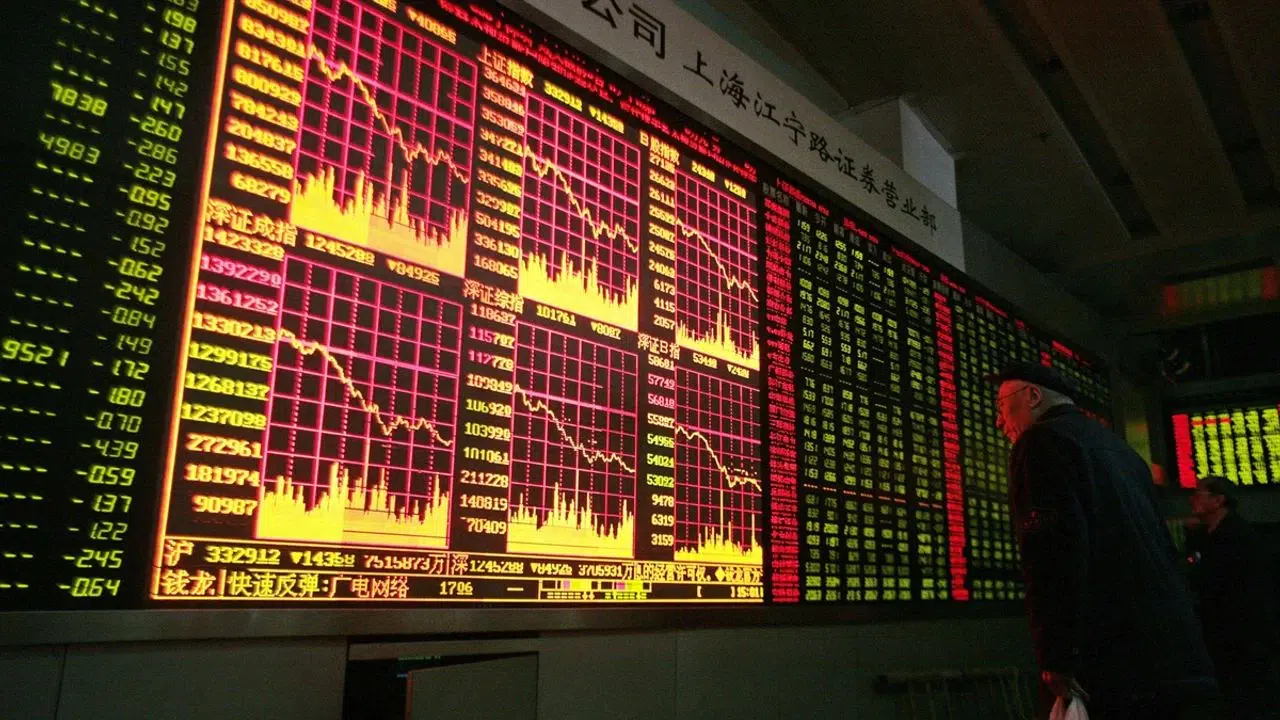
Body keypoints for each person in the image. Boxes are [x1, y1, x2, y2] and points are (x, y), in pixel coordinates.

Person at [989, 362, 1217, 719]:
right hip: (1172, 654)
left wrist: (1057, 656)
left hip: (1113, 659)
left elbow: (1052, 553)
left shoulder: (1040, 441)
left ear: (1032, 396)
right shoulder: (1123, 452)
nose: (999, 421)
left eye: (1002, 406)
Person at [1187, 476, 1277, 718]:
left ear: (1218, 500)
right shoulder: (1208, 535)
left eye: (1198, 493)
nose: (1192, 499)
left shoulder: (1237, 537)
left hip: (1242, 630)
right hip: (1224, 628)